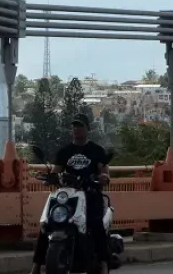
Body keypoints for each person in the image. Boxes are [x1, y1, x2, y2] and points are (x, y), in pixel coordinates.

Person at [30, 113, 111, 274]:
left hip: (90, 193)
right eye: (74, 126)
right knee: (47, 224)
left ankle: (103, 262)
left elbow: (105, 172)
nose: (76, 129)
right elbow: (56, 171)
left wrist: (103, 177)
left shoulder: (96, 150)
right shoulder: (65, 152)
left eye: (80, 126)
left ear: (87, 128)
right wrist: (50, 178)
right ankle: (37, 265)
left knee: (96, 224)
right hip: (69, 196)